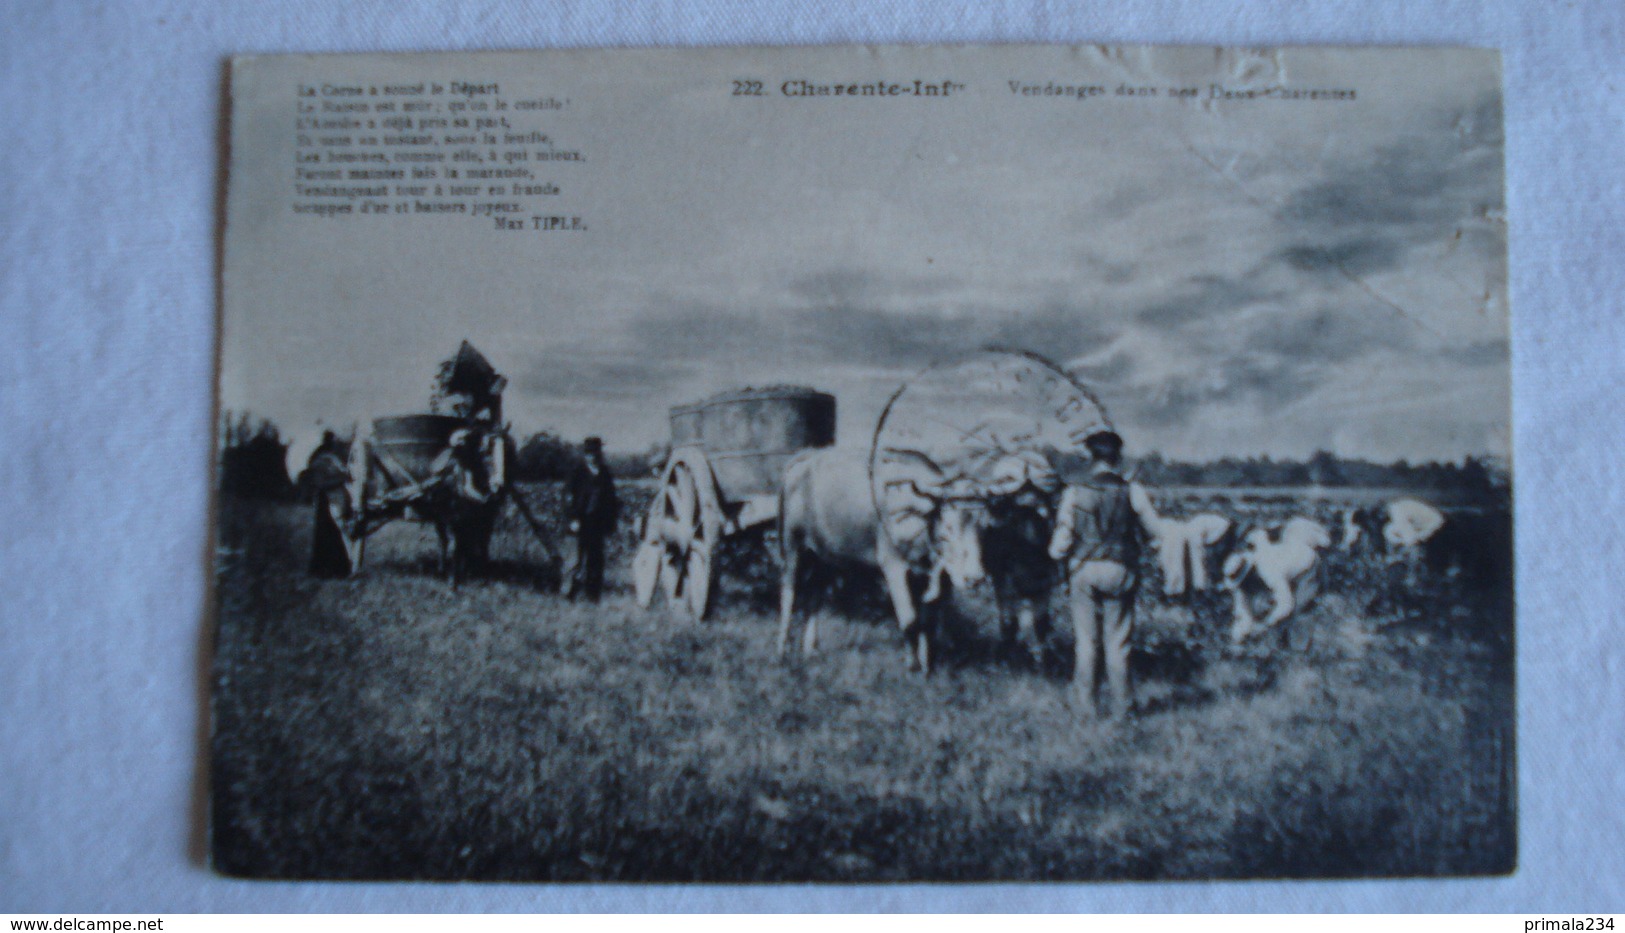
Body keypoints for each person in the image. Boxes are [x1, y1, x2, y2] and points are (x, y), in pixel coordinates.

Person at [1048, 429, 1145, 719]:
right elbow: (1155, 532)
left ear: (1091, 456)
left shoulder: (1075, 492)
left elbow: (1059, 545)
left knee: (1086, 642)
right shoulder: (1133, 491)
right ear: (1118, 456)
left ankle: (1085, 708)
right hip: (1121, 568)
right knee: (1118, 641)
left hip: (1083, 569)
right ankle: (1122, 709)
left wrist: (1059, 553)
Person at [564, 436, 619, 601]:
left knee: (596, 559)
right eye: (589, 453)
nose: (592, 456)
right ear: (585, 454)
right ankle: (569, 593)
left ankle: (593, 595)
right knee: (575, 560)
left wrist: (610, 522)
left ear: (600, 453)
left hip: (597, 523)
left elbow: (611, 499)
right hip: (579, 522)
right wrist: (573, 518)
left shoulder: (605, 473)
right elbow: (568, 497)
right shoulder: (577, 472)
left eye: (595, 452)